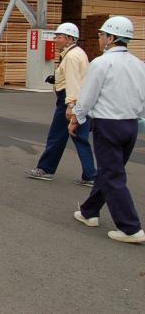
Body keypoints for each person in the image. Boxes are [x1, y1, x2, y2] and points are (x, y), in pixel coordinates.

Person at [71, 16, 145, 244]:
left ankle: (130, 228)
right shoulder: (139, 64)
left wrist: (76, 118)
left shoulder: (101, 63)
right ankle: (89, 211)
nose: (100, 39)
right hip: (130, 124)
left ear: (111, 38)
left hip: (107, 124)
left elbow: (88, 95)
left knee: (112, 175)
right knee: (109, 171)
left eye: (102, 35)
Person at [26, 22, 97, 186]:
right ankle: (90, 175)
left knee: (56, 136)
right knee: (80, 137)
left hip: (70, 99)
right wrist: (56, 78)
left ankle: (45, 169)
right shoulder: (78, 53)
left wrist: (70, 106)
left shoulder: (71, 57)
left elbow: (73, 82)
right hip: (81, 99)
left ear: (70, 38)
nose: (55, 39)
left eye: (58, 37)